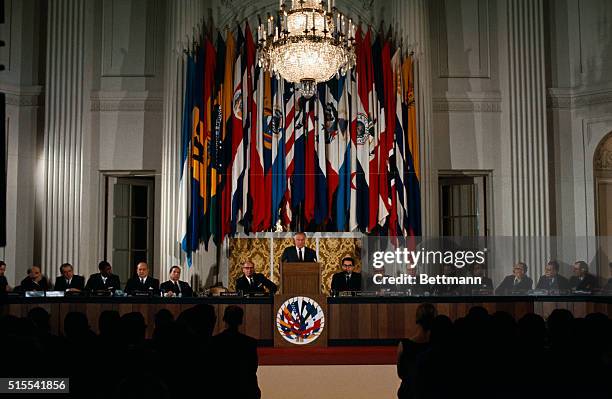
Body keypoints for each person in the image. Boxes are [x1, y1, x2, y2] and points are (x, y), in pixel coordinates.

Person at [211, 306, 261, 399]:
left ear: (224, 319)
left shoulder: (214, 342)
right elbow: (252, 369)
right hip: (245, 390)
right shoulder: (250, 343)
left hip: (221, 390)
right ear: (241, 321)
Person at [397, 303, 437, 399]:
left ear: (417, 320)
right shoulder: (437, 346)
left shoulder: (404, 345)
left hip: (408, 392)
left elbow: (401, 374)